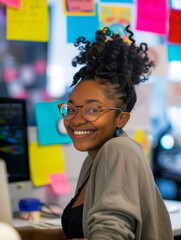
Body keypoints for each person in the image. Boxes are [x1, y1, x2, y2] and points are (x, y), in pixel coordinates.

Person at [18, 26, 173, 240]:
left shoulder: (118, 151)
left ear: (121, 119)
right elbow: (79, 233)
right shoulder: (94, 159)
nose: (76, 119)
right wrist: (20, 234)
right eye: (71, 109)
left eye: (93, 110)